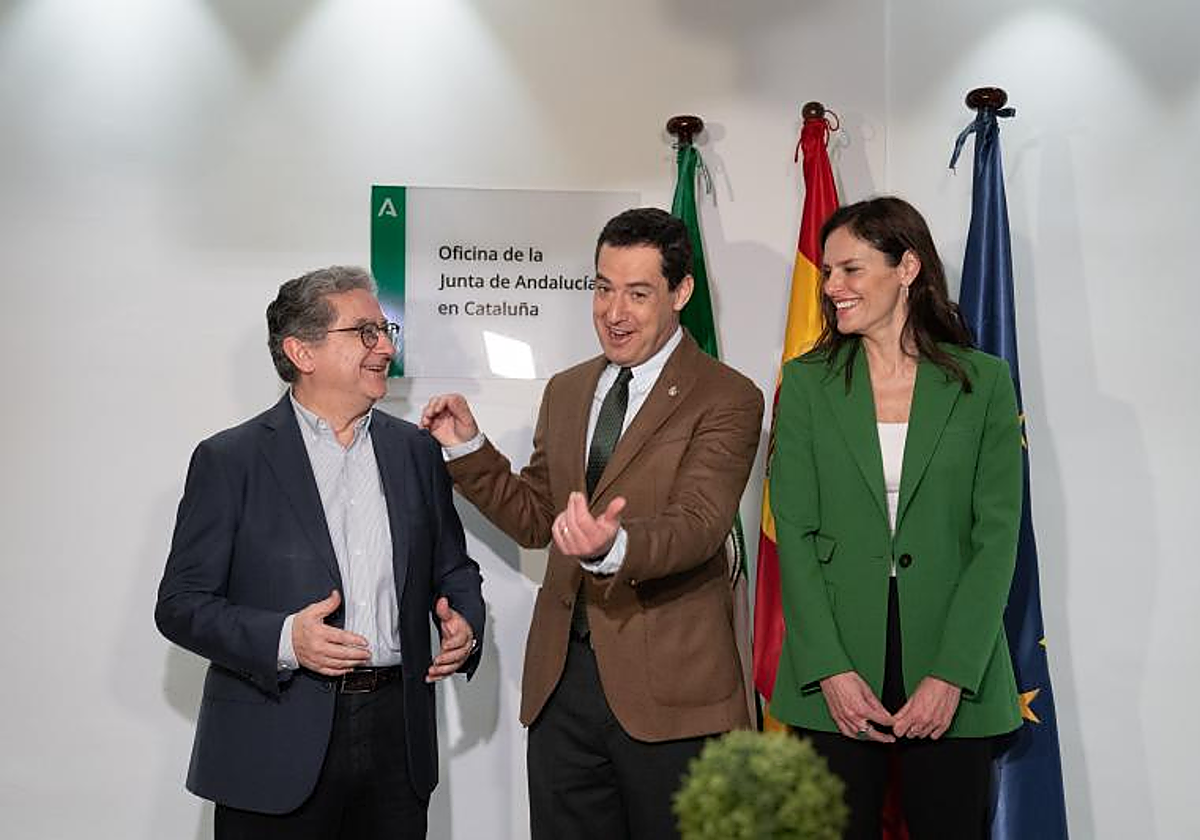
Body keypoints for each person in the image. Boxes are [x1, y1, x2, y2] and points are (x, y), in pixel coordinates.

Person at [420, 208, 764, 840]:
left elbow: (699, 524)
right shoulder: (568, 389)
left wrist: (615, 546)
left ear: (681, 293)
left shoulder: (728, 396)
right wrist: (468, 449)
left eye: (638, 293)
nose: (614, 311)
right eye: (603, 288)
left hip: (674, 700)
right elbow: (539, 520)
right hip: (564, 689)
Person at [156, 266, 485, 840]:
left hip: (395, 745)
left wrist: (465, 621)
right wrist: (286, 639)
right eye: (365, 332)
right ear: (301, 352)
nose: (385, 346)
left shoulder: (415, 452)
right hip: (272, 743)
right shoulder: (229, 461)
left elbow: (454, 569)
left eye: (384, 331)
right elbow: (180, 604)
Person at [767, 196, 1024, 838]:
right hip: (834, 671)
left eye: (850, 270)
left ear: (907, 267)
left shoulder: (984, 382)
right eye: (827, 273)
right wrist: (827, 666)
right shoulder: (804, 383)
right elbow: (792, 534)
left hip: (950, 663)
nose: (832, 288)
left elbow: (997, 539)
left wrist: (950, 677)